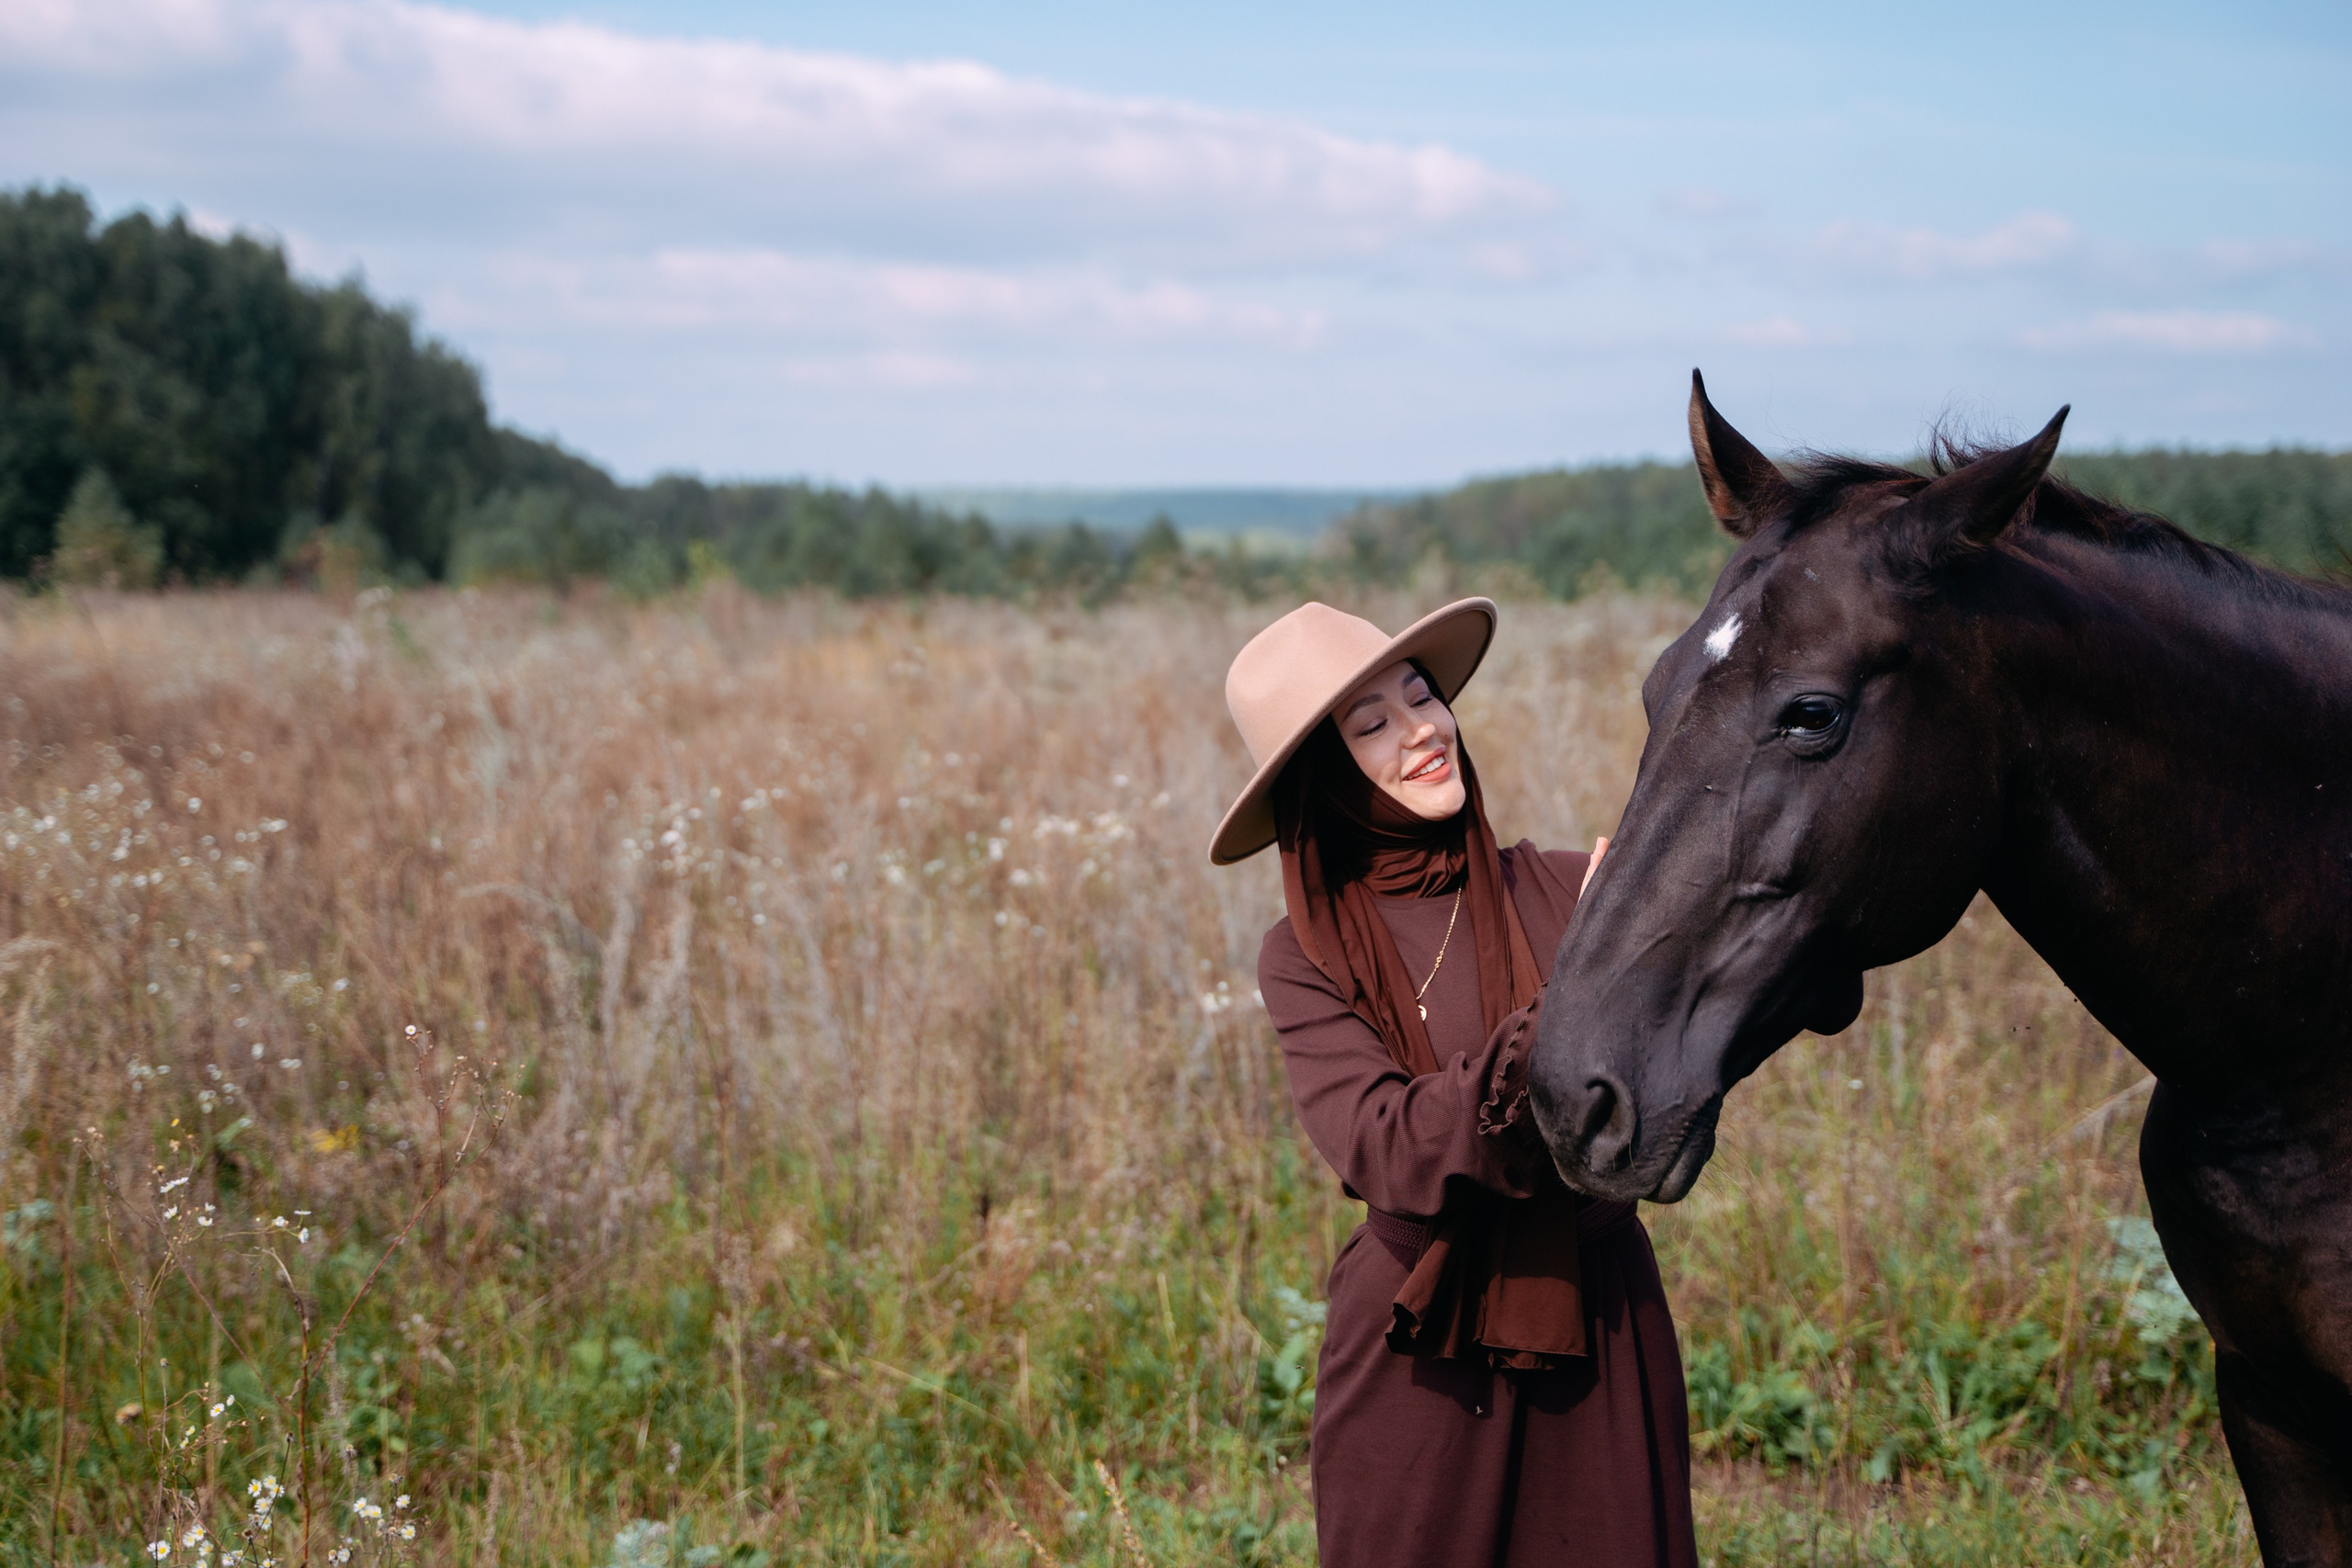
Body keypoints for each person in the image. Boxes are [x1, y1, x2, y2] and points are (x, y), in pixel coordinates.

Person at [1211, 598, 1696, 1568]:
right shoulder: (1302, 958)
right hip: (1415, 1356)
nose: (1422, 730)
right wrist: (1569, 1007)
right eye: (1371, 724)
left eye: (1420, 694)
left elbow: (1662, 1115)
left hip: (1598, 1313)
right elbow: (1386, 1146)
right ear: (1322, 776)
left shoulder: (1566, 889)